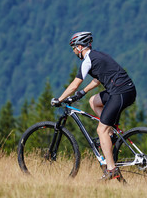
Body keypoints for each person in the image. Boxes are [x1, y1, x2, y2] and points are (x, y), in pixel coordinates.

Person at [51, 31, 136, 181]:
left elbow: (74, 84)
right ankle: (110, 135)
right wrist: (82, 93)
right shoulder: (97, 56)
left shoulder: (88, 60)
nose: (73, 52)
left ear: (79, 47)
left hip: (120, 93)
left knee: (100, 130)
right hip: (125, 90)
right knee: (94, 101)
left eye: (73, 48)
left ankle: (111, 169)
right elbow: (97, 80)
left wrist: (60, 99)